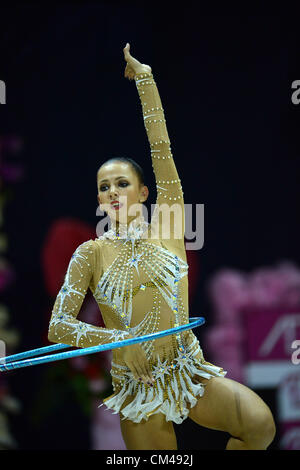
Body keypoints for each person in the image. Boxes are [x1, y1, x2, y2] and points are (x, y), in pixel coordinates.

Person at [48, 43, 276, 450]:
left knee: (260, 427)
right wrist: (119, 342)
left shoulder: (168, 224)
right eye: (104, 187)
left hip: (187, 370)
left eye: (122, 183)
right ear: (99, 201)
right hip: (137, 388)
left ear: (144, 191)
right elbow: (58, 325)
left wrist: (146, 82)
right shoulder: (90, 253)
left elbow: (161, 150)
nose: (113, 192)